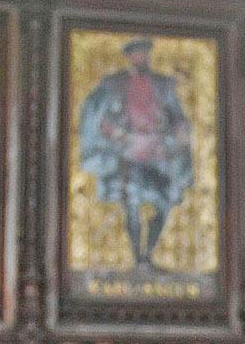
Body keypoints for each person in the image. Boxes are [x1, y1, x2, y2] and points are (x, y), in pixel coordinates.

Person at [77, 35, 193, 270]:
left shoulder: (163, 84)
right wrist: (119, 135)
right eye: (137, 54)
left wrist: (179, 132)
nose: (142, 58)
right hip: (128, 152)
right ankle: (136, 257)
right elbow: (99, 116)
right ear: (130, 57)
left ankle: (148, 253)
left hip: (158, 151)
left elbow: (177, 116)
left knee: (164, 203)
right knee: (131, 203)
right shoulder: (114, 84)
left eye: (145, 54)